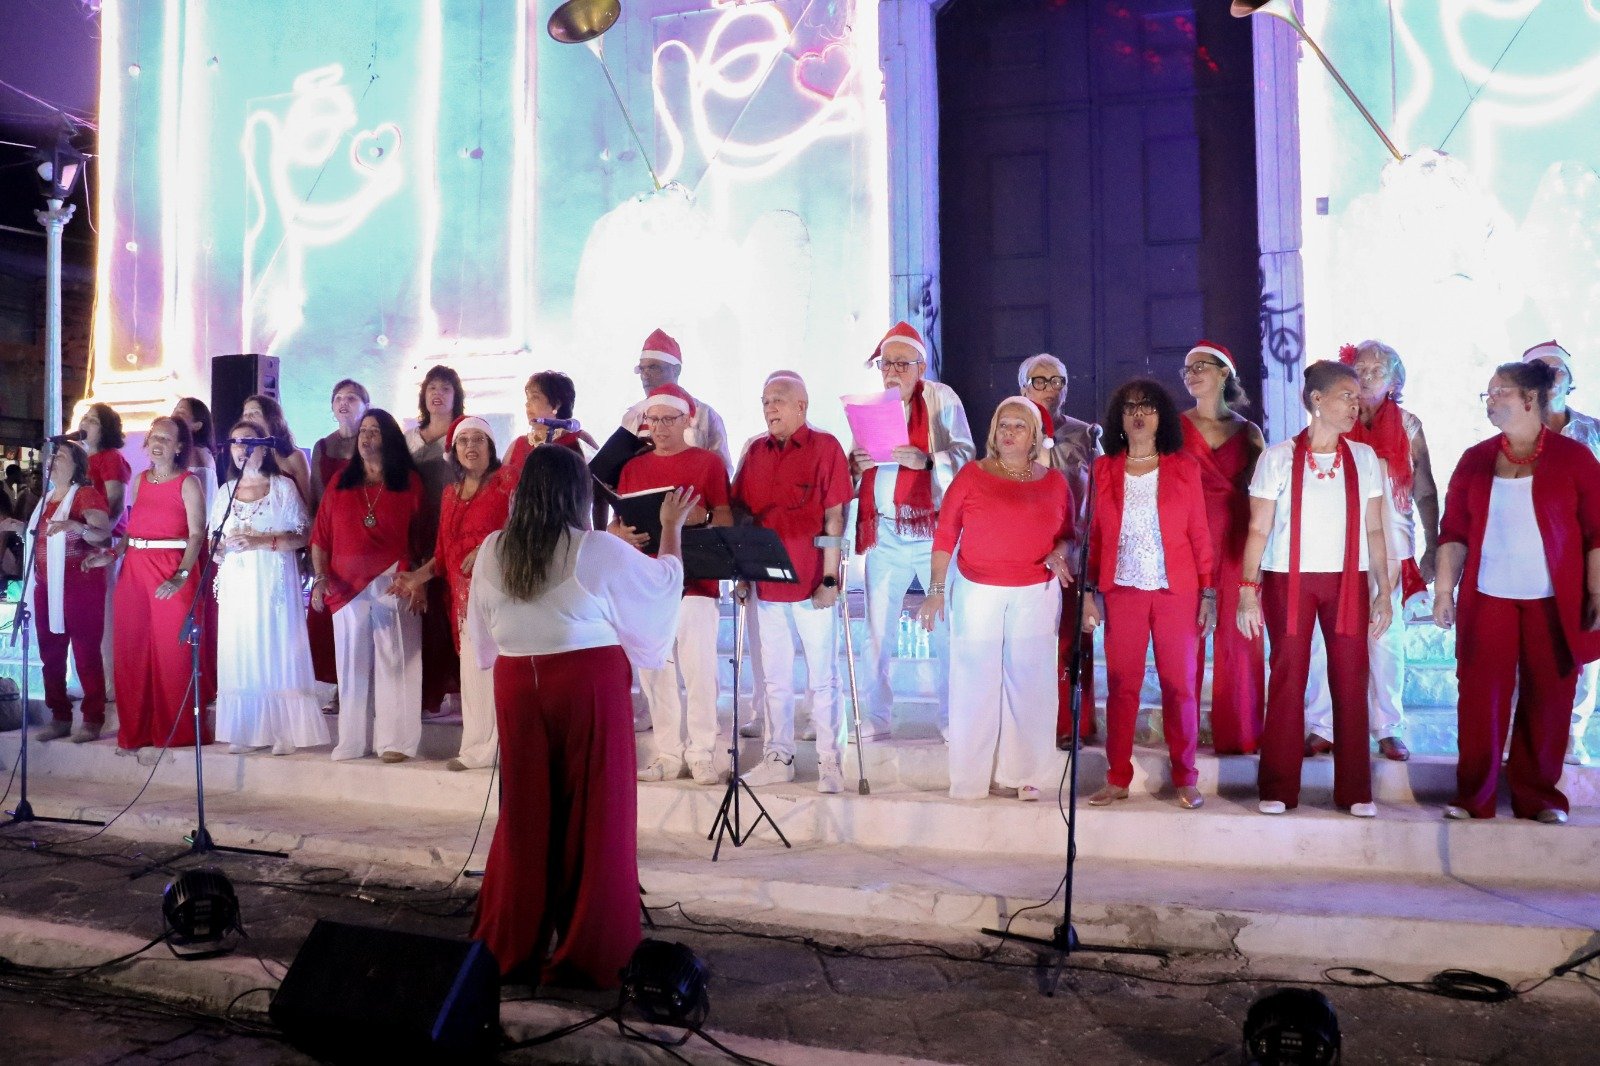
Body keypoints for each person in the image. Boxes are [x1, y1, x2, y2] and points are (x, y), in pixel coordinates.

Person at [466, 445, 694, 986]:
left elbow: (482, 639)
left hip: (517, 687)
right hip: (585, 683)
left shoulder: (494, 548)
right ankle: (587, 947)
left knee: (526, 817)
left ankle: (514, 942)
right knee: (596, 814)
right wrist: (669, 529)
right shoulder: (594, 548)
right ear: (577, 495)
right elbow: (663, 585)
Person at [1433, 361, 1600, 823]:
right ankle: (1474, 797)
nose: (1489, 401)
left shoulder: (1574, 459)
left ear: (1529, 398)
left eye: (1498, 392)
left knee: (1549, 697)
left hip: (1553, 601)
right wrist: (1444, 591)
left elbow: (1597, 533)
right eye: (1487, 393)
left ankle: (1539, 796)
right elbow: (1454, 531)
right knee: (1480, 697)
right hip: (1489, 597)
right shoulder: (1475, 458)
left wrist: (1597, 593)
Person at [1238, 360, 1391, 817]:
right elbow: (1258, 529)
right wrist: (1249, 589)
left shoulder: (1364, 459)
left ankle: (1356, 791)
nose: (1355, 403)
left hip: (1349, 580)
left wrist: (1384, 589)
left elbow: (1376, 531)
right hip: (1290, 580)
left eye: (1357, 395)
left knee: (1350, 680)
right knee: (1287, 679)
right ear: (1317, 400)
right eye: (1346, 395)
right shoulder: (1278, 457)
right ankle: (1279, 788)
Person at [918, 398, 1073, 801]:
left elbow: (1069, 534)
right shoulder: (971, 475)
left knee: (1031, 683)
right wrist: (936, 591)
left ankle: (1025, 775)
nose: (1009, 432)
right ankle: (971, 779)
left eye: (1019, 426)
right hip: (977, 589)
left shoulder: (1055, 482)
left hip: (1036, 591)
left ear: (1035, 436)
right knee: (974, 683)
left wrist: (1061, 552)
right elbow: (945, 535)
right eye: (1002, 424)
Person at [1303, 341, 1438, 763]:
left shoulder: (1410, 426)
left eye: (1376, 370)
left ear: (1395, 380)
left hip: (1392, 543)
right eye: (1358, 367)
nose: (1364, 375)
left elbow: (1425, 489)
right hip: (1335, 542)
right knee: (1326, 638)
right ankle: (1322, 725)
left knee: (1384, 637)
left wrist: (1434, 545)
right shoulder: (1335, 419)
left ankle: (1388, 727)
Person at [1082, 380, 1214, 810]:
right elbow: (1095, 535)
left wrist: (1208, 593)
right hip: (1122, 591)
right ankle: (1117, 776)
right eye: (1130, 407)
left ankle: (1186, 778)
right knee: (1122, 686)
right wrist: (1090, 593)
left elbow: (1199, 533)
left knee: (1180, 686)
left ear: (1162, 417)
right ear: (1119, 419)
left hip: (1176, 590)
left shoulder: (1184, 467)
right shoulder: (1104, 470)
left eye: (1149, 407)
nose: (1139, 415)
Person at [848, 322, 973, 743]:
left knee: (946, 628)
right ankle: (876, 719)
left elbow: (966, 454)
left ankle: (952, 719)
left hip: (932, 532)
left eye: (903, 363)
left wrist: (926, 460)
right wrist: (856, 464)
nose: (893, 371)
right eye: (887, 363)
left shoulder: (941, 398)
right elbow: (853, 467)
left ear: (921, 367)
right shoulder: (868, 407)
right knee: (876, 633)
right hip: (884, 532)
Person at [732, 373, 854, 792]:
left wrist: (831, 578)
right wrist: (743, 571)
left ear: (802, 405)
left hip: (811, 583)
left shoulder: (826, 447)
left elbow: (835, 516)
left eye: (779, 400)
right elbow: (743, 515)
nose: (770, 408)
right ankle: (777, 757)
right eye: (765, 401)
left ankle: (829, 763)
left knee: (822, 677)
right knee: (775, 680)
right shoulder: (755, 452)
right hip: (766, 586)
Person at [615, 384, 733, 786]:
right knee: (655, 670)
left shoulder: (707, 463)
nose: (660, 428)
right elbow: (618, 522)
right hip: (647, 582)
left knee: (699, 670)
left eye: (669, 419)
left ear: (689, 420)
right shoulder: (633, 468)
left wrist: (699, 519)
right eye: (654, 420)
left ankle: (701, 751)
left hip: (696, 581)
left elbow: (726, 520)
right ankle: (667, 752)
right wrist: (620, 534)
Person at [392, 416, 513, 771]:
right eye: (463, 442)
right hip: (461, 599)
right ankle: (476, 748)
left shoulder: (506, 483)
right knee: (474, 673)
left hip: (502, 592)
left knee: (499, 671)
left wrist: (489, 547)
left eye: (478, 440)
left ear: (491, 447)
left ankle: (501, 749)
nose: (471, 447)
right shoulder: (449, 494)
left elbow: (519, 530)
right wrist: (417, 577)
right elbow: (444, 554)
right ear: (453, 450)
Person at [91, 417, 209, 762]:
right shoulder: (141, 480)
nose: (157, 443)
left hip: (171, 569)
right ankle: (136, 731)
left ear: (179, 447)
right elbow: (134, 527)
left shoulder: (189, 484)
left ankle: (174, 732)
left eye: (166, 438)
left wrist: (182, 574)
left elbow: (197, 534)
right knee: (132, 652)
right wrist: (113, 553)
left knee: (172, 655)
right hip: (135, 573)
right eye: (154, 436)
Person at [311, 409, 426, 762]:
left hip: (395, 579)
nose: (366, 437)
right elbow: (320, 537)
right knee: (351, 666)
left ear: (389, 438)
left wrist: (417, 580)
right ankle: (352, 740)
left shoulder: (408, 481)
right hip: (344, 586)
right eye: (363, 431)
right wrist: (319, 577)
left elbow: (422, 536)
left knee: (398, 661)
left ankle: (396, 743)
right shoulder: (340, 482)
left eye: (375, 431)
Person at [210, 420, 329, 755]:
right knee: (242, 649)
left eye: (248, 442)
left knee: (276, 646)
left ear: (263, 448)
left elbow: (304, 535)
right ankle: (246, 729)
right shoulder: (224, 492)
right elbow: (213, 541)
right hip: (238, 582)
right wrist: (219, 548)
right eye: (235, 443)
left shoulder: (282, 488)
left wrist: (260, 540)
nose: (240, 449)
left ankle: (283, 730)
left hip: (273, 581)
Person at [1178, 341, 1266, 755]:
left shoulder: (1249, 432)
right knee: (1185, 641)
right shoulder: (1172, 428)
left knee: (1238, 640)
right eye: (1186, 369)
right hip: (1186, 542)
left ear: (1223, 373)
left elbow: (1265, 496)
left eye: (1200, 366)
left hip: (1234, 540)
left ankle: (1242, 735)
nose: (1191, 373)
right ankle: (1185, 737)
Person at [1521, 341, 1600, 768]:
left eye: (1557, 371)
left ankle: (1572, 736)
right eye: (1539, 369)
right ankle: (1525, 735)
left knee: (1585, 648)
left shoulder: (1594, 432)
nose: (1550, 377)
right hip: (1526, 557)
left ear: (1571, 381)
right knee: (1525, 648)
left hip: (1584, 555)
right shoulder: (1513, 434)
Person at [0, 443, 112, 742]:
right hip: (46, 586)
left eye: (60, 456)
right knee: (51, 653)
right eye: (51, 456)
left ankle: (92, 718)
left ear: (76, 466)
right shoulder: (47, 499)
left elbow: (104, 533)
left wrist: (76, 524)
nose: (52, 460)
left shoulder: (86, 495)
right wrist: (21, 528)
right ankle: (60, 716)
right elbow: (45, 536)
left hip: (81, 585)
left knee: (86, 653)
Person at [1020, 353, 1103, 748]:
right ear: (1023, 386)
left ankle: (1073, 722)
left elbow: (1100, 496)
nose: (1051, 388)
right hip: (1023, 554)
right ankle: (1028, 724)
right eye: (1041, 380)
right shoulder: (1011, 428)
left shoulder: (1087, 435)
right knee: (1028, 642)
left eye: (1059, 380)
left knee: (1072, 641)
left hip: (1072, 551)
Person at [405, 365, 466, 716]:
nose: (437, 393)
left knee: (453, 610)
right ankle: (429, 694)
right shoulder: (411, 437)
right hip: (419, 529)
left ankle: (460, 690)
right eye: (431, 387)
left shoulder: (465, 433)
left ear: (456, 395)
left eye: (445, 387)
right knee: (426, 615)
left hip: (456, 527)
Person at [307, 379, 371, 700]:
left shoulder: (374, 442)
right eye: (338, 399)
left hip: (366, 540)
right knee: (328, 617)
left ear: (365, 406)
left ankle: (363, 688)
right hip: (331, 539)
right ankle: (336, 687)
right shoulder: (322, 445)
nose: (343, 403)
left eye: (351, 398)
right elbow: (317, 499)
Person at [620, 330, 734, 471]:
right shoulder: (631, 417)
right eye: (642, 369)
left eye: (653, 367)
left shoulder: (705, 415)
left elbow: (722, 471)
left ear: (676, 370)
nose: (645, 376)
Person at [81, 402, 131, 704]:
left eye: (93, 420)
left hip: (105, 540)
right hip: (81, 538)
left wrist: (100, 535)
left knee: (105, 615)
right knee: (85, 616)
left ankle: (110, 682)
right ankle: (89, 680)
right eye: (85, 418)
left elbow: (115, 502)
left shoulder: (111, 458)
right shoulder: (81, 457)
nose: (86, 422)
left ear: (106, 428)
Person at [503, 371, 595, 478]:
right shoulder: (518, 444)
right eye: (527, 398)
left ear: (556, 404)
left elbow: (602, 479)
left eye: (535, 397)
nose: (527, 403)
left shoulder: (578, 439)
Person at [241, 394, 313, 506]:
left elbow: (309, 502)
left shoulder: (294, 456)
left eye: (255, 413)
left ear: (271, 417)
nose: (248, 417)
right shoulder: (245, 457)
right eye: (245, 414)